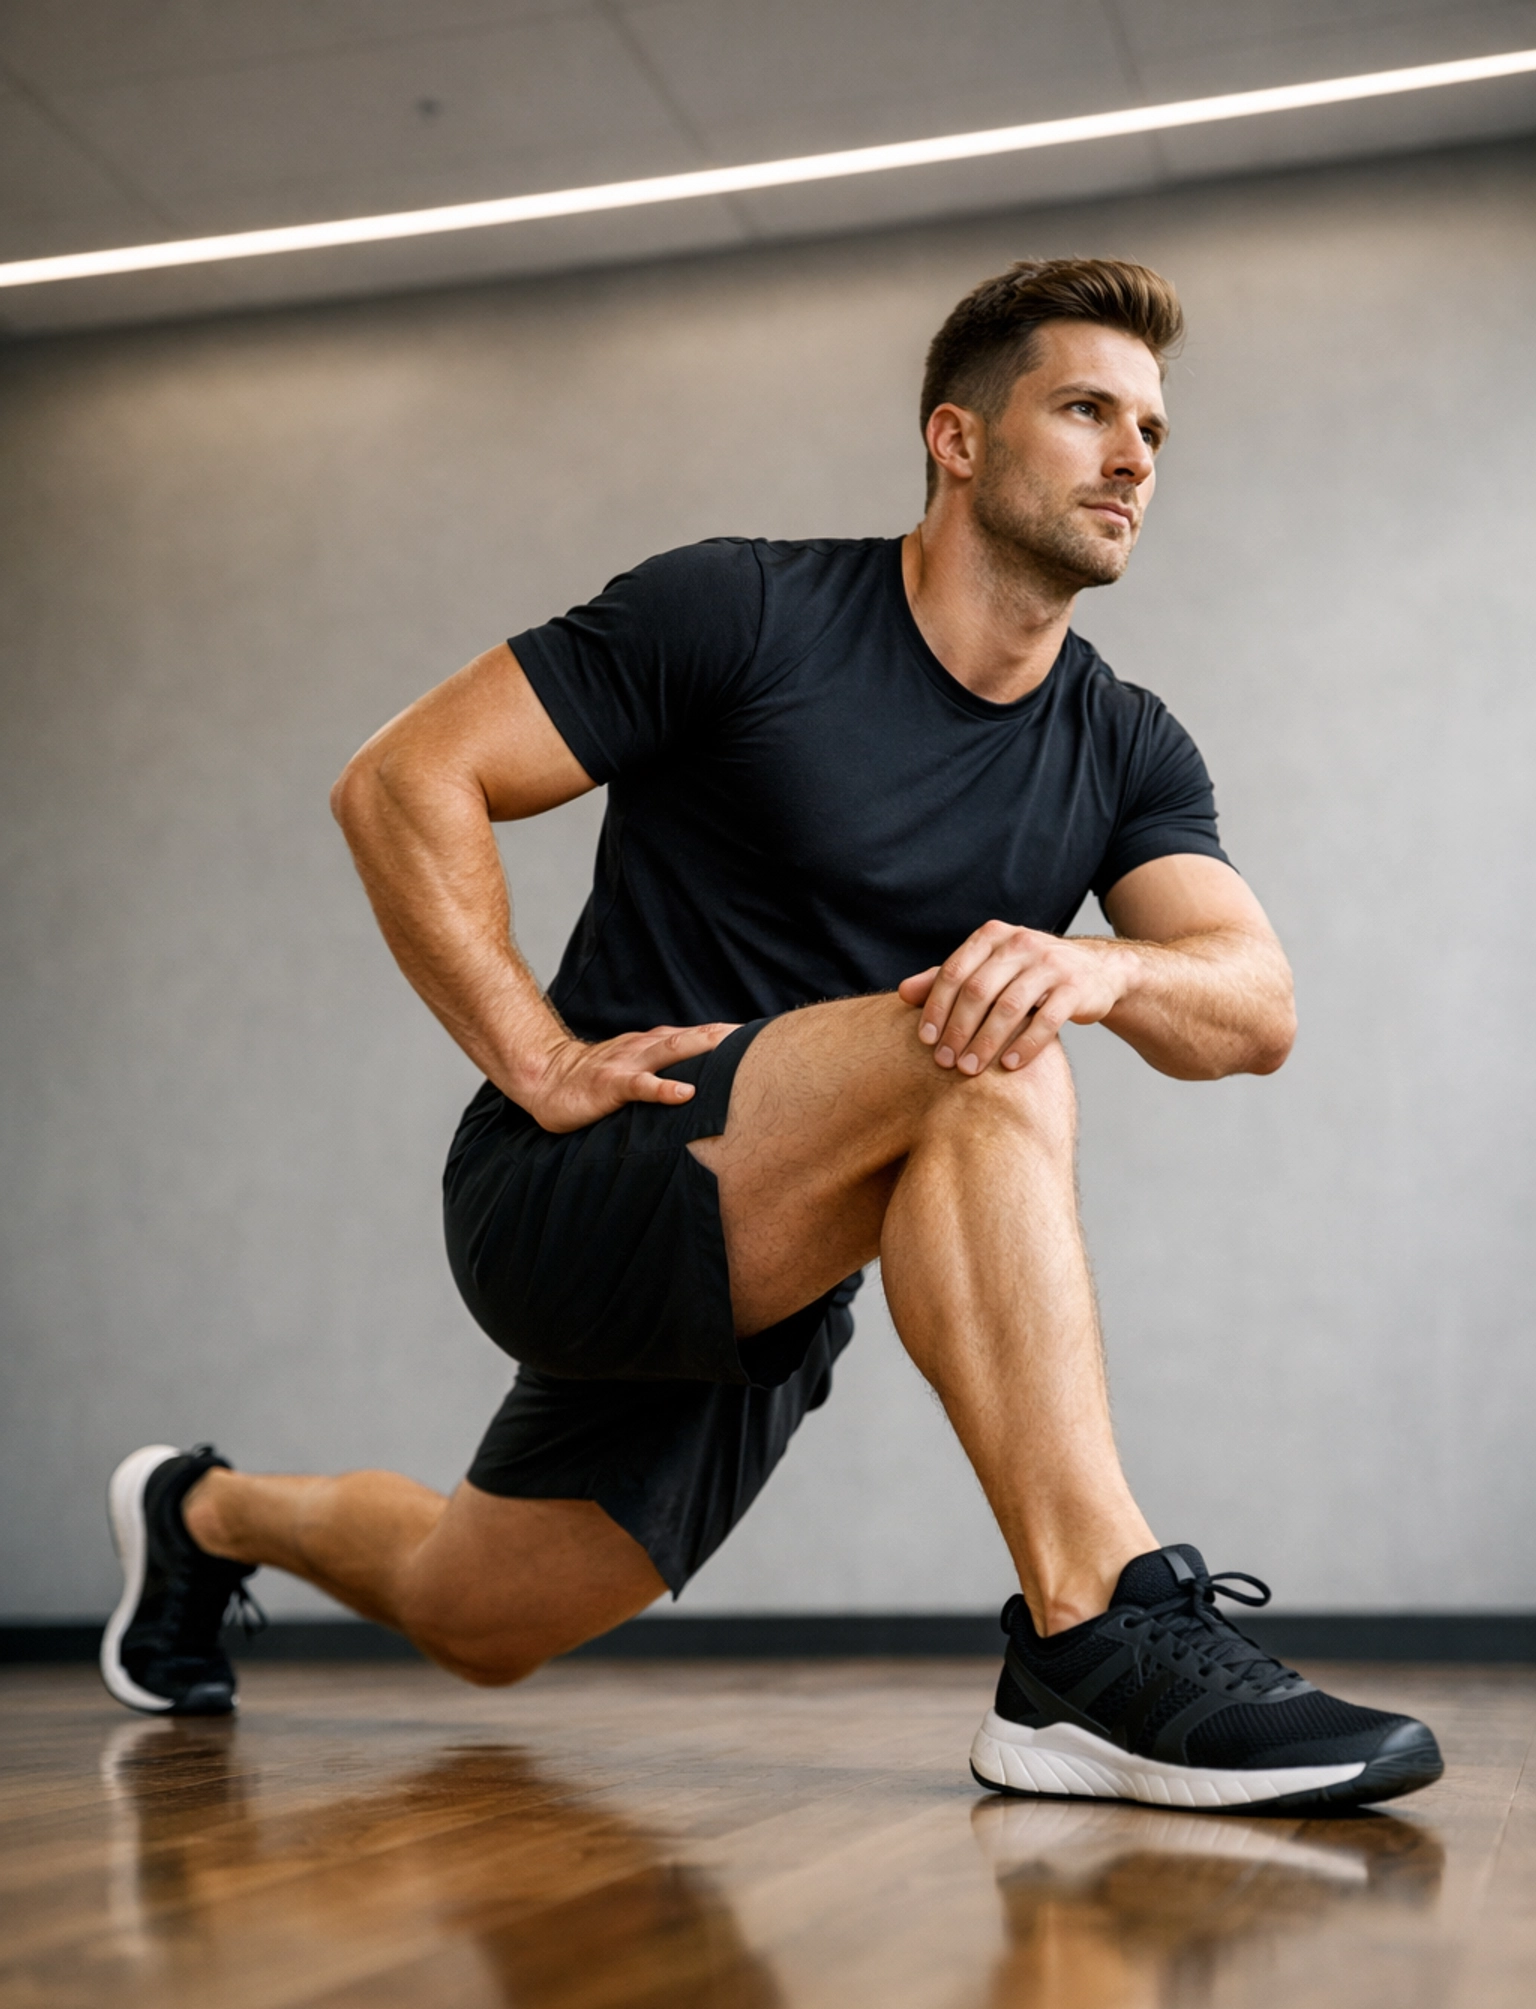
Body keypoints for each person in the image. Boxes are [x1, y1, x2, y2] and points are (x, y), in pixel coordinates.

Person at [99, 256, 1442, 1812]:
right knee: (985, 1049)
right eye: (1087, 410)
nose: (1137, 457)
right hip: (579, 1183)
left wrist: (1105, 968)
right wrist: (534, 1058)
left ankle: (200, 1515)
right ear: (957, 438)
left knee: (478, 1617)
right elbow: (403, 782)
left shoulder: (1121, 740)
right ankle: (1093, 1635)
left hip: (766, 1273)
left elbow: (1252, 1003)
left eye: (1153, 428)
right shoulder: (743, 609)